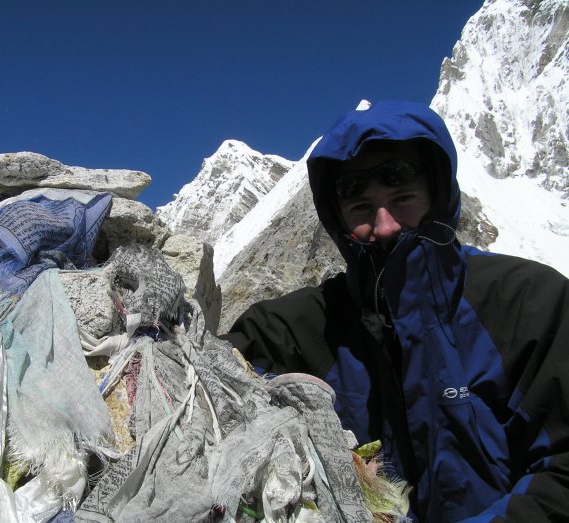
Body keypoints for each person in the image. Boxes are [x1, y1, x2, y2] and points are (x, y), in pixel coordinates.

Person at [220, 100, 569, 522]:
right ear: (338, 218)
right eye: (362, 208)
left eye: (403, 198)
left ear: (438, 196)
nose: (384, 225)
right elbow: (217, 376)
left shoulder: (528, 303)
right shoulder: (299, 327)